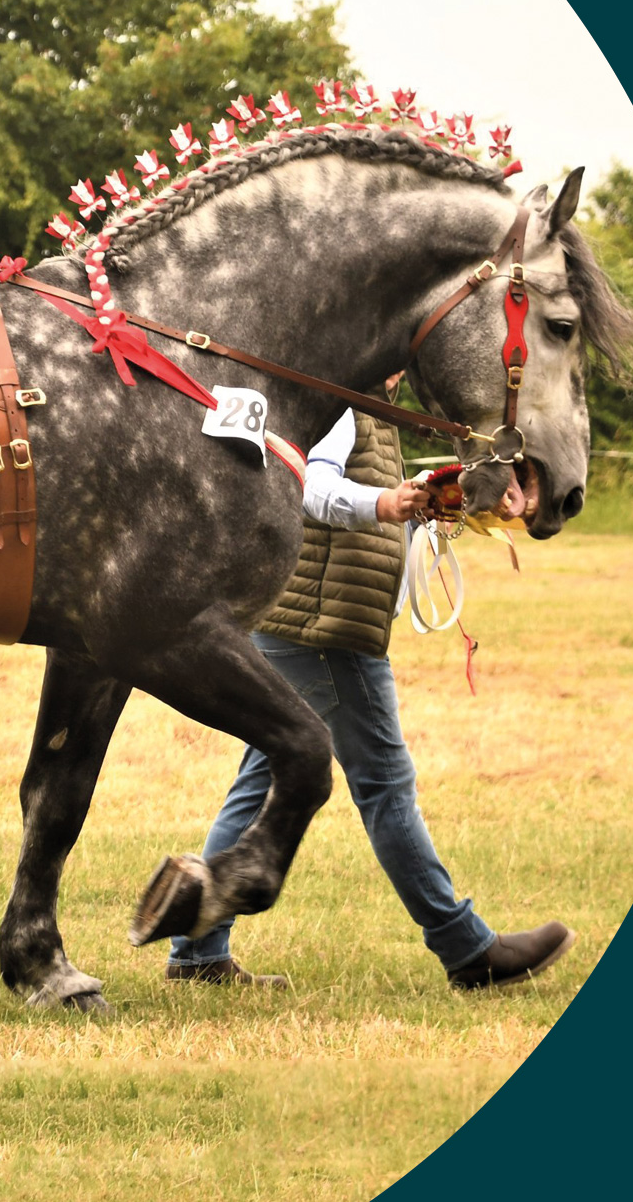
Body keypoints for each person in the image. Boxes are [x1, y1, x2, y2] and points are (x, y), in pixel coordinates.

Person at [167, 383, 575, 991]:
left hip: (309, 620)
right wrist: (384, 504)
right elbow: (309, 485)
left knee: (264, 782)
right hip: (328, 630)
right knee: (385, 786)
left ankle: (197, 951)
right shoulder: (343, 409)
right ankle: (468, 950)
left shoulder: (372, 415)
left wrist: (422, 507)